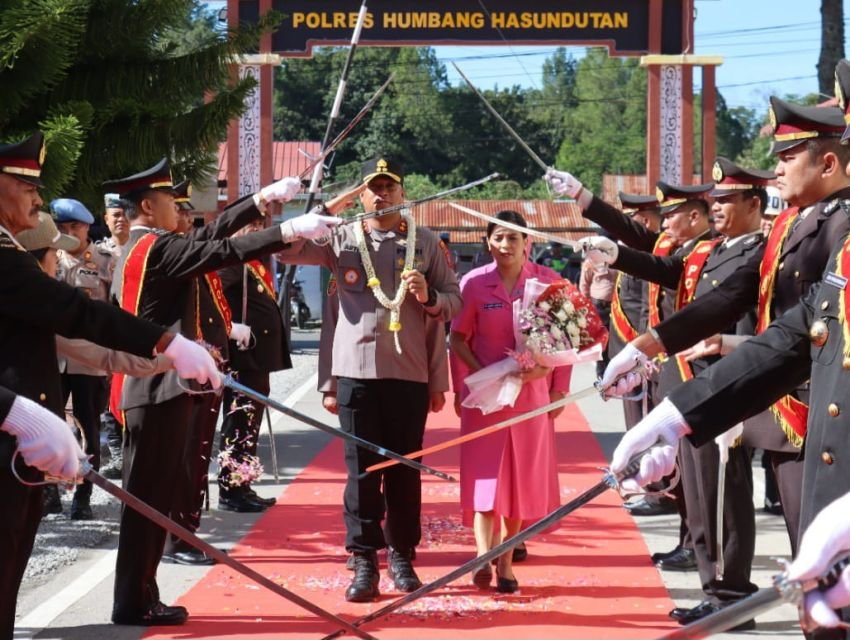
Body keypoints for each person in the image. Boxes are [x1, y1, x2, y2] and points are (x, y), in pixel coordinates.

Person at [600, 95, 850, 569]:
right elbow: (761, 307)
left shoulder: (837, 225)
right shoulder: (801, 225)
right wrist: (653, 354)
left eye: (787, 156)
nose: (776, 169)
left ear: (830, 162)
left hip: (806, 403)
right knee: (815, 574)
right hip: (786, 400)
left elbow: (801, 329)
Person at [0, 131, 220, 638]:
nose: (36, 198)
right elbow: (81, 315)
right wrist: (168, 343)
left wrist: (169, 354)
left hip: (21, 460)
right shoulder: (10, 265)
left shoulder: (19, 269)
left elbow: (100, 347)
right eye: (24, 186)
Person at [105, 158, 300, 624]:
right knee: (148, 500)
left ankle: (139, 595)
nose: (178, 209)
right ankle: (134, 601)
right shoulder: (158, 248)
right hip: (158, 390)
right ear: (149, 207)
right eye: (171, 201)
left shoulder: (144, 247)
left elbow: (207, 241)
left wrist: (258, 201)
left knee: (151, 496)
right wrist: (287, 232)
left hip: (152, 389)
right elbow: (220, 252)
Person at [586, 157, 772, 629]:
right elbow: (669, 270)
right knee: (697, 489)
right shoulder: (713, 249)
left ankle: (732, 592)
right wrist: (617, 255)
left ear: (754, 203)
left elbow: (731, 309)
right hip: (689, 383)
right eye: (715, 200)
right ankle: (715, 588)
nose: (718, 208)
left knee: (721, 493)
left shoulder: (758, 251)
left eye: (727, 200)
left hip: (724, 385)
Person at [274, 156, 462, 603]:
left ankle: (401, 553)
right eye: (372, 189)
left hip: (408, 373)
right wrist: (333, 206)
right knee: (360, 473)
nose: (381, 196)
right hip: (356, 375)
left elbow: (454, 300)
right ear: (361, 195)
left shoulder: (425, 242)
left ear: (403, 194)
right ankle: (363, 558)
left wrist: (429, 296)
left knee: (404, 470)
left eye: (389, 188)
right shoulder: (340, 237)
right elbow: (283, 248)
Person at [449, 210, 572, 593]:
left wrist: (555, 386)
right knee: (485, 479)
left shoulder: (549, 283)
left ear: (527, 243)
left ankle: (505, 562)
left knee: (520, 482)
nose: (505, 246)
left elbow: (566, 342)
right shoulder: (472, 284)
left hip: (531, 397)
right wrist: (471, 381)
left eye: (513, 239)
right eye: (498, 238)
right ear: (488, 242)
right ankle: (483, 555)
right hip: (485, 398)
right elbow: (457, 339)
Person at [216, 218, 293, 512]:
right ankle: (231, 490)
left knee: (248, 424)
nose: (259, 228)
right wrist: (229, 326)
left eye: (263, 223)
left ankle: (242, 484)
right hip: (241, 358)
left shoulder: (252, 262)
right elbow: (213, 296)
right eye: (254, 223)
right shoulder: (234, 261)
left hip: (254, 360)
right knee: (239, 424)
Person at [50, 197, 115, 519]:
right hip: (51, 357)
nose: (67, 232)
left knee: (89, 428)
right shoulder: (48, 259)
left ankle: (83, 497)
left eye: (73, 226)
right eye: (62, 227)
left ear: (87, 226)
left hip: (89, 359)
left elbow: (116, 313)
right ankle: (49, 492)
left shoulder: (105, 261)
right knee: (51, 425)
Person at [98, 193, 131, 479]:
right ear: (105, 220)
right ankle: (117, 452)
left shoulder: (138, 249)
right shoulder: (99, 255)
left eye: (124, 214)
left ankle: (132, 451)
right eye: (114, 215)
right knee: (109, 397)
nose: (120, 220)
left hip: (135, 334)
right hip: (106, 336)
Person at [578, 254, 617, 377]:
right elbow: (584, 285)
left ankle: (613, 373)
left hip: (616, 306)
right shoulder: (591, 262)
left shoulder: (618, 259)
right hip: (598, 306)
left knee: (614, 341)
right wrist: (587, 306)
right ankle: (601, 374)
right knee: (601, 341)